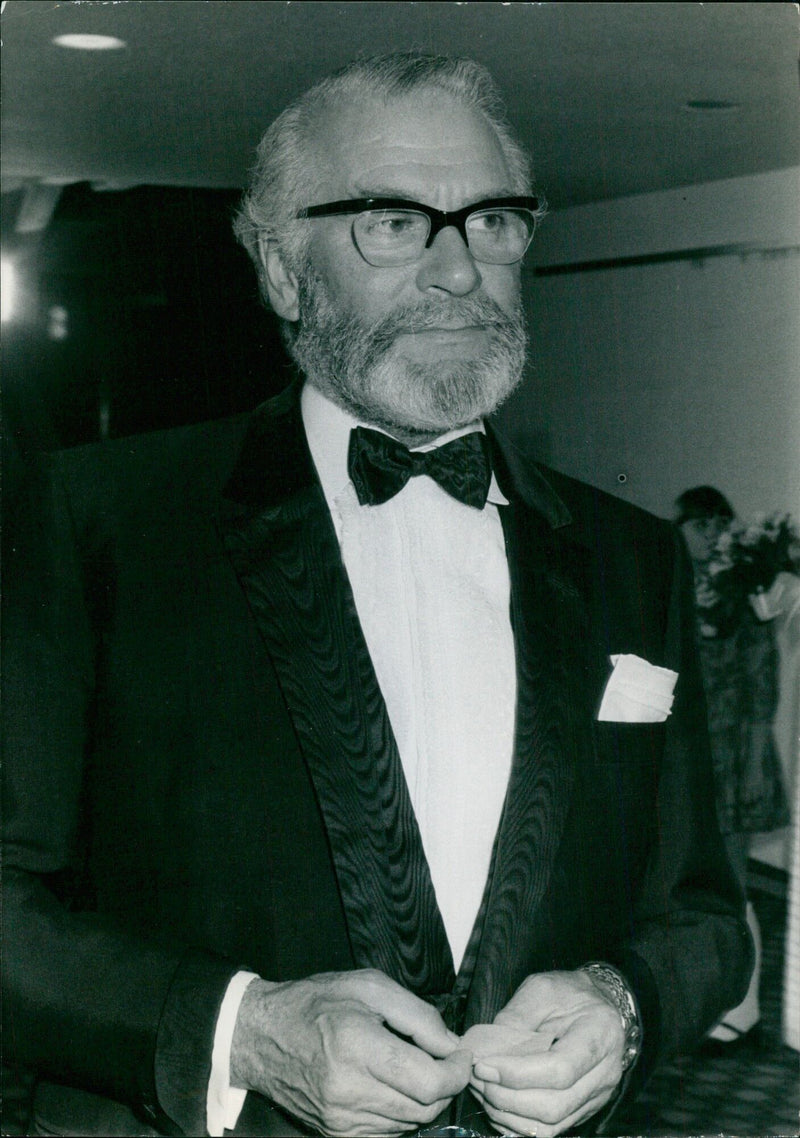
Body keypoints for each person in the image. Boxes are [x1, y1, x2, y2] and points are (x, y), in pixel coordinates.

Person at [2, 54, 751, 1138]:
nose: (459, 270)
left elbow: (702, 912)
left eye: (493, 221)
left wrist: (625, 1006)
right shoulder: (92, 523)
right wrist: (241, 1029)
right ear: (280, 268)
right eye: (393, 222)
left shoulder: (633, 556)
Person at [675, 486, 789, 1046]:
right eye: (695, 526)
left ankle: (743, 1013)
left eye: (714, 525)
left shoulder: (747, 593)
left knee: (732, 884)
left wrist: (749, 762)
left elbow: (761, 685)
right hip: (694, 758)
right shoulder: (680, 590)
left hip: (737, 755)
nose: (705, 536)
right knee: (698, 886)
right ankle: (710, 1002)